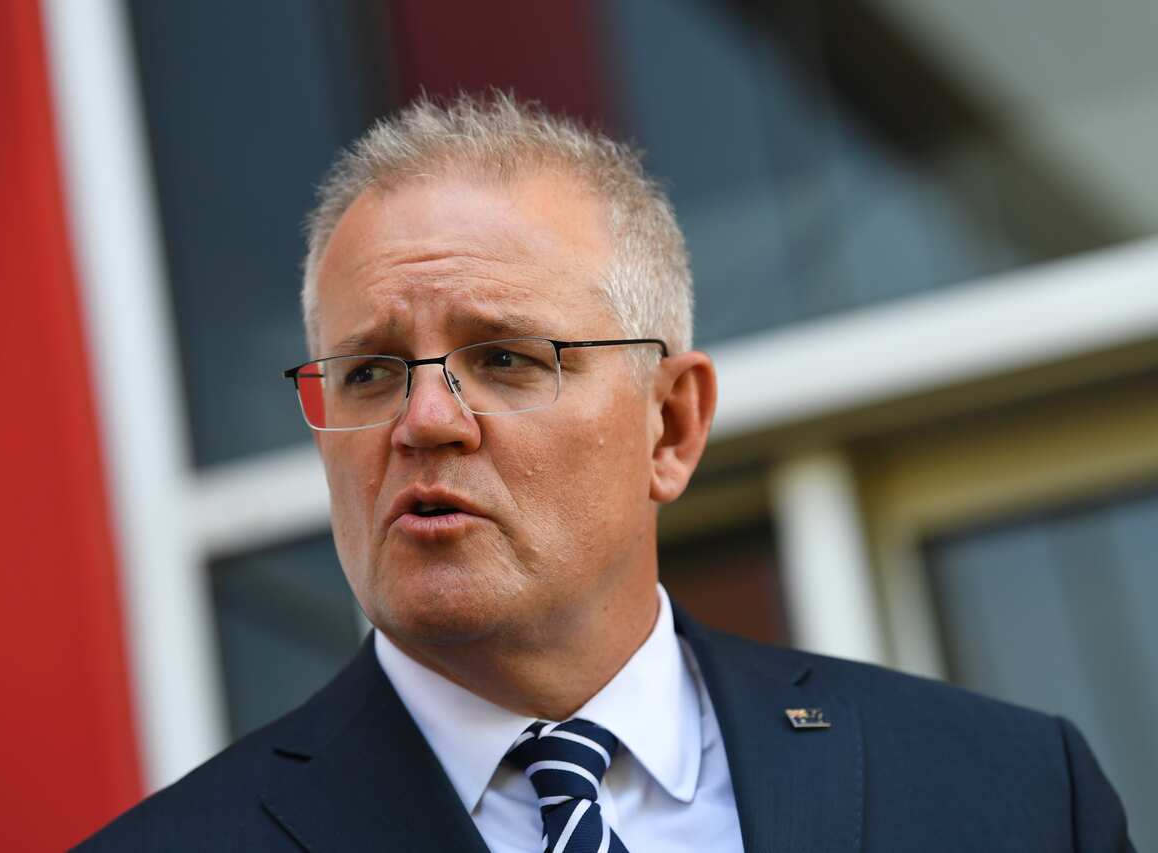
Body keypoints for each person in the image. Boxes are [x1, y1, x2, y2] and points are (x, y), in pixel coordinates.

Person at [77, 94, 1134, 852]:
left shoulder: (1002, 793)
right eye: (369, 372)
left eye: (502, 358)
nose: (424, 420)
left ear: (669, 426)